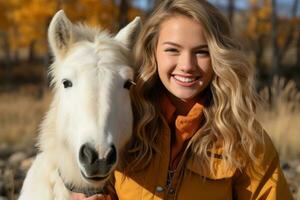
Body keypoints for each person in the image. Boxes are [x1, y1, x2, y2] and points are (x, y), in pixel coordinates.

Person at [73, 0, 292, 199]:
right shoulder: (124, 123)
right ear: (153, 52)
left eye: (202, 52)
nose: (187, 65)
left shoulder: (246, 140)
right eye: (172, 50)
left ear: (218, 56)